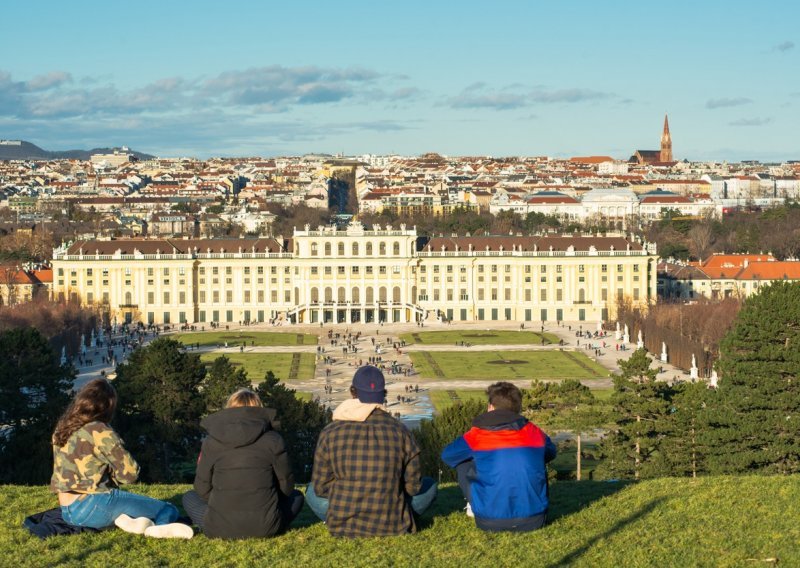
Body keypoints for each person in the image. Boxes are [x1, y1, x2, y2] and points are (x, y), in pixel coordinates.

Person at [51, 378, 192, 539]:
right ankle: (158, 527)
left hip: (68, 511)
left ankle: (129, 520)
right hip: (94, 503)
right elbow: (130, 475)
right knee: (168, 509)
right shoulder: (100, 430)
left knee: (124, 504)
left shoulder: (62, 428)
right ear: (108, 406)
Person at [306, 366, 437, 538]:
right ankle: (395, 516)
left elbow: (321, 486)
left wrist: (348, 491)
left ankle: (341, 517)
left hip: (344, 516)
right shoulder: (401, 430)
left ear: (353, 392)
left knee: (310, 490)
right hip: (390, 517)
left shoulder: (330, 431)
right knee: (430, 486)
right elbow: (413, 487)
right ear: (383, 394)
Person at [182, 389, 303, 539]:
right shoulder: (273, 440)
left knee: (189, 497)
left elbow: (201, 488)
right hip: (266, 526)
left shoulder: (211, 442)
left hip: (219, 527)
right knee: (297, 496)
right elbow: (287, 486)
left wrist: (221, 501)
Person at [441, 381, 556, 532]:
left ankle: (474, 504)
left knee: (463, 462)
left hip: (489, 521)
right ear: (519, 408)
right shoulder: (534, 432)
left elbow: (448, 456)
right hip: (535, 520)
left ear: (491, 407)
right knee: (536, 460)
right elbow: (551, 453)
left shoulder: (478, 434)